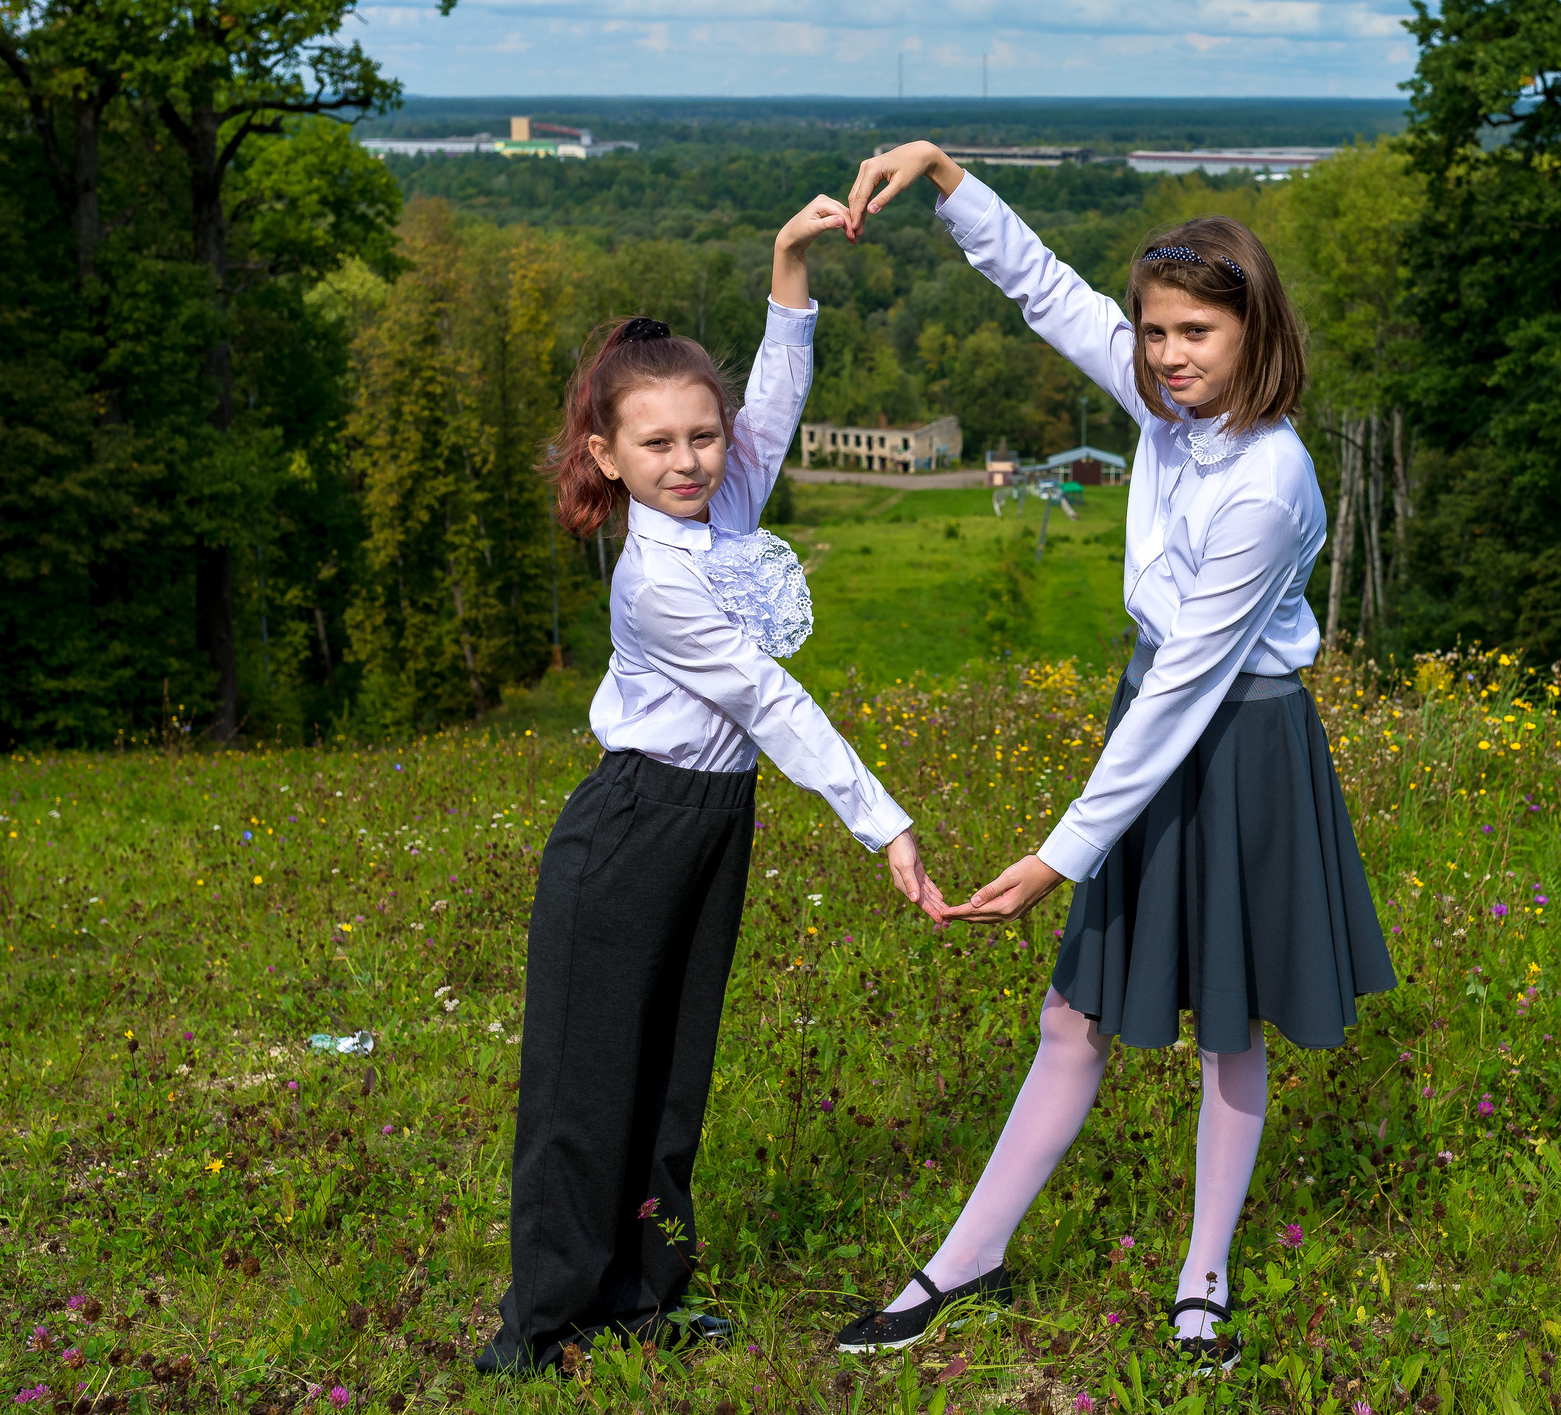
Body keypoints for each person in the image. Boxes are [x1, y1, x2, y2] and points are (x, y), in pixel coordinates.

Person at [830, 145, 1396, 1372]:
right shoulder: (1161, 407)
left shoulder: (1269, 480)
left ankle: (1203, 1279)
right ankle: (966, 1256)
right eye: (1153, 332)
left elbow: (1191, 683)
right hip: (1154, 719)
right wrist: (943, 175)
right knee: (1071, 1015)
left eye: (1196, 330)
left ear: (1255, 332)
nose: (1168, 353)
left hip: (1239, 740)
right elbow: (1044, 289)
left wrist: (1054, 855)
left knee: (1229, 1025)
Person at [478, 194, 946, 1376]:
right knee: (585, 1085)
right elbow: (769, 699)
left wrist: (788, 264)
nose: (688, 460)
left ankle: (646, 1293)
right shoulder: (656, 578)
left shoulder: (725, 496)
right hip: (630, 825)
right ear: (606, 456)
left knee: (674, 1071)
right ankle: (543, 1324)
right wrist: (882, 820)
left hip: (710, 823)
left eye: (702, 435)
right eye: (657, 444)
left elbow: (775, 400)